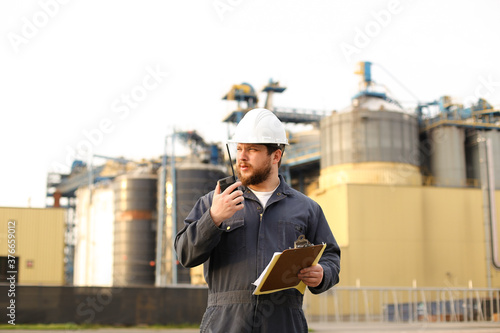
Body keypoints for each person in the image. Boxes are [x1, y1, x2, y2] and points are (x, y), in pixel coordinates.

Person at [175, 108, 341, 333]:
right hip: (226, 324)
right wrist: (213, 219)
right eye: (240, 148)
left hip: (283, 323)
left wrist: (323, 273)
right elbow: (184, 254)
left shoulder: (306, 208)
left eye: (252, 149)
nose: (241, 157)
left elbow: (331, 256)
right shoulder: (215, 202)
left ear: (276, 156)